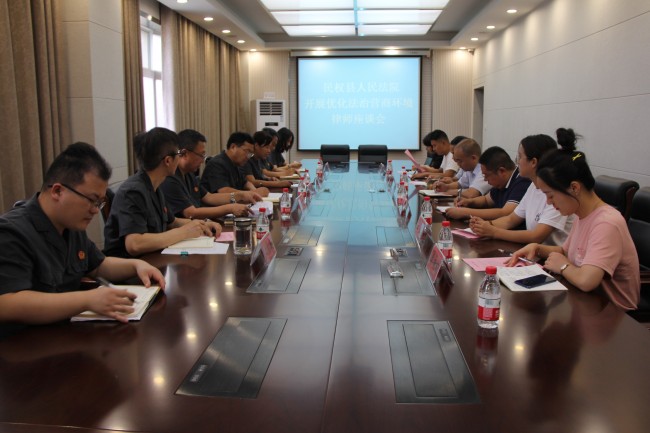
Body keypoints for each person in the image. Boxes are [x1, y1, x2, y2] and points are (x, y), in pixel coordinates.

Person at [0, 142, 166, 336]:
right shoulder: (12, 232)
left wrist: (136, 265)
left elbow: (98, 266)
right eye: (91, 200)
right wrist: (87, 300)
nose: (95, 210)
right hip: (23, 344)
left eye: (99, 202)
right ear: (57, 191)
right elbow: (7, 303)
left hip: (67, 335)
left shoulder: (70, 225)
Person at [508, 128, 639, 310]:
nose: (548, 202)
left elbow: (587, 281)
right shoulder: (582, 214)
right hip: (584, 303)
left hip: (613, 314)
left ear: (575, 188)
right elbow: (566, 252)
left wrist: (563, 267)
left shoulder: (607, 222)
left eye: (550, 195)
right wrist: (537, 248)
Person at [104, 128, 222, 258]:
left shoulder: (155, 186)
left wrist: (202, 225)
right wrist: (184, 233)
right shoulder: (133, 191)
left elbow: (172, 222)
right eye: (178, 153)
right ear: (168, 161)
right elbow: (134, 244)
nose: (180, 157)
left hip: (153, 259)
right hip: (131, 265)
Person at [469, 134, 572, 245]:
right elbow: (511, 220)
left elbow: (536, 236)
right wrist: (485, 225)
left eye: (520, 156)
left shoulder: (558, 192)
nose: (517, 162)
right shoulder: (533, 186)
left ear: (533, 162)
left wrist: (494, 232)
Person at [159, 129, 262, 219]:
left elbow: (209, 197)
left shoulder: (189, 174)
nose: (202, 161)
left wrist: (241, 195)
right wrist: (230, 208)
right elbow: (190, 213)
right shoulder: (170, 178)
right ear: (185, 153)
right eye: (201, 155)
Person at [446, 146, 531, 221]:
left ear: (501, 171)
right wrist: (469, 202)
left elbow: (506, 212)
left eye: (486, 175)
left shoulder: (522, 181)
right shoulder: (501, 182)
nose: (485, 179)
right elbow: (486, 200)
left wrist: (466, 212)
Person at [200, 131, 270, 197]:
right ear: (233, 147)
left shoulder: (236, 163)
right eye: (247, 151)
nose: (248, 157)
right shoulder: (217, 164)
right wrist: (252, 193)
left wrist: (254, 190)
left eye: (250, 154)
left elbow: (245, 183)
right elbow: (223, 191)